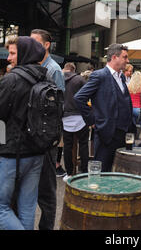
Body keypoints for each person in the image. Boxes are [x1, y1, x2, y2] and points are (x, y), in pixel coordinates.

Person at [0, 36, 46, 230]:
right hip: (38, 151)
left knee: (1, 208)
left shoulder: (12, 79)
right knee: (27, 207)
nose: (9, 58)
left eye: (12, 53)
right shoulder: (46, 77)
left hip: (12, 153)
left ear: (24, 53)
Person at [74, 43, 134, 172]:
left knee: (119, 171)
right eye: (125, 57)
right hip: (106, 133)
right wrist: (93, 121)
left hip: (122, 134)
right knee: (103, 172)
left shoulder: (121, 76)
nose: (127, 61)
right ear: (114, 57)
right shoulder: (99, 75)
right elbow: (79, 98)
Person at [30, 29, 65, 230]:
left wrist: (52, 138)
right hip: (34, 137)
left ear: (46, 45)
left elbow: (57, 107)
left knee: (47, 191)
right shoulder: (33, 66)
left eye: (35, 42)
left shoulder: (53, 70)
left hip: (46, 140)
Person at [62, 63, 89, 183]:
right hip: (80, 116)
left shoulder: (58, 78)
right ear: (74, 69)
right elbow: (88, 93)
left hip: (65, 116)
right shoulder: (79, 79)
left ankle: (69, 172)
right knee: (83, 144)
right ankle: (84, 171)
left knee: (67, 147)